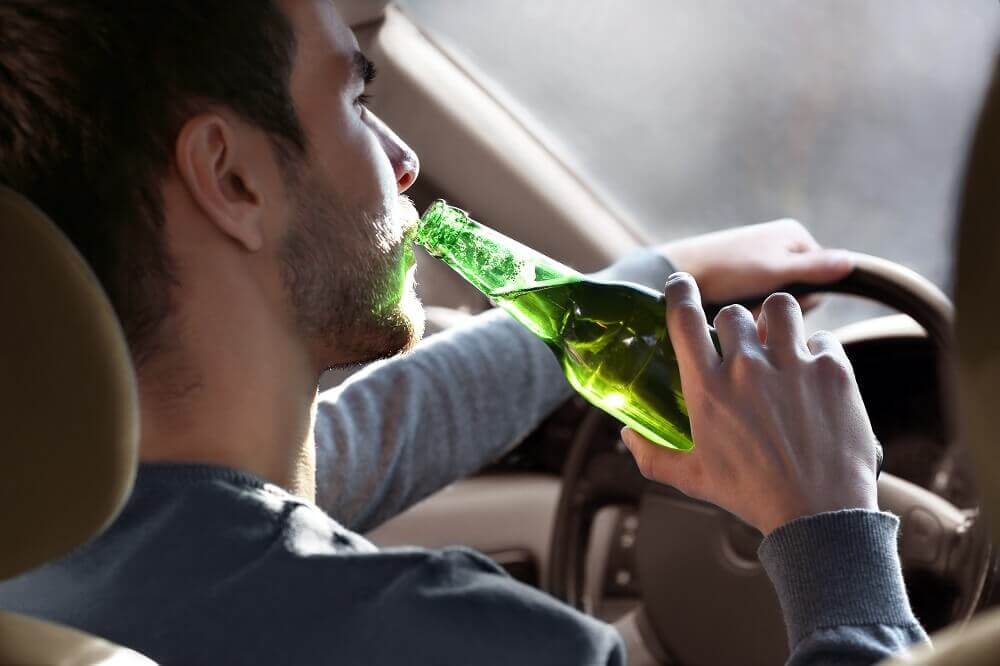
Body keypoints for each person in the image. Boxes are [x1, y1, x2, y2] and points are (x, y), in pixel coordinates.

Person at [0, 1, 927, 663]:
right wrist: (831, 529)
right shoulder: (466, 642)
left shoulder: (41, 550)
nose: (405, 163)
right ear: (232, 179)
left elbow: (350, 445)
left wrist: (643, 281)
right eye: (357, 104)